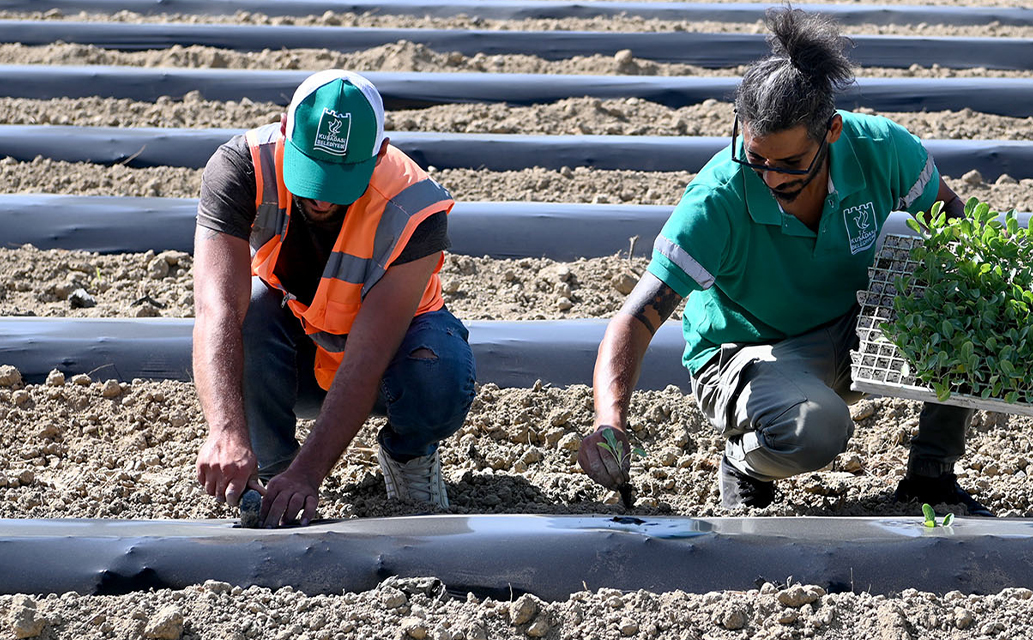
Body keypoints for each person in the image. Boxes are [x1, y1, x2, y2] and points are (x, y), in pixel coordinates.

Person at [577, 7, 992, 515]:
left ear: (832, 132)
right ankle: (745, 459)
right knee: (818, 428)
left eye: (791, 163)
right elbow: (636, 318)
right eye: (757, 159)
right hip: (747, 351)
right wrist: (609, 420)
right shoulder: (717, 201)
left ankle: (931, 477)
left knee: (967, 309)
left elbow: (956, 222)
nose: (771, 177)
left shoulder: (883, 150)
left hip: (853, 326)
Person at [193, 69, 476, 527]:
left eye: (338, 180)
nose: (321, 199)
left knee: (437, 372)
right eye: (311, 172)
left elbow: (368, 357)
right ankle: (271, 470)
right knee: (249, 314)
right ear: (286, 130)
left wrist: (311, 473)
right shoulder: (241, 169)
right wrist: (226, 431)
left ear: (379, 153)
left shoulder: (415, 207)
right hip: (301, 341)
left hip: (393, 359)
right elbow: (215, 309)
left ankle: (408, 455)